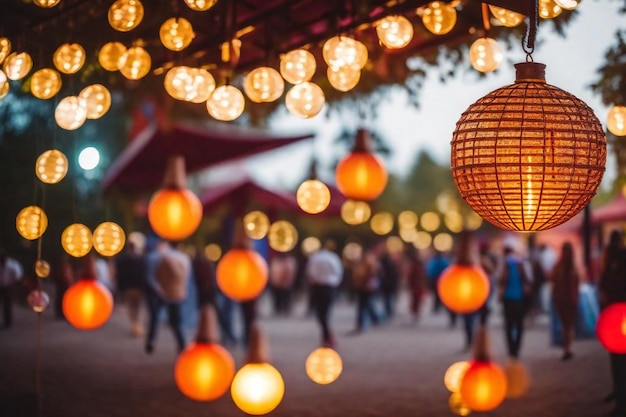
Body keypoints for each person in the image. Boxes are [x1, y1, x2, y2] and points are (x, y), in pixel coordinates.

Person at [598, 230, 626, 417]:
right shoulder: (614, 259)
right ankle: (619, 395)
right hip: (615, 315)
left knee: (618, 361)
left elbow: (605, 284)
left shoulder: (617, 259)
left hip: (617, 314)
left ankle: (620, 398)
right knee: (617, 360)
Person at [146, 241, 190, 354]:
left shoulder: (163, 258)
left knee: (155, 319)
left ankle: (151, 342)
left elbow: (156, 275)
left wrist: (160, 288)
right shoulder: (184, 258)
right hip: (178, 294)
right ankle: (182, 345)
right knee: (176, 322)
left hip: (164, 292)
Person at [306, 240, 343, 348]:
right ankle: (327, 336)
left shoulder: (315, 258)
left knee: (320, 313)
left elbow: (310, 272)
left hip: (318, 286)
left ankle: (327, 336)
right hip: (329, 286)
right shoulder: (333, 258)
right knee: (326, 312)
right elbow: (338, 272)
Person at [499, 246, 532, 359]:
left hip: (508, 297)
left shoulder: (506, 263)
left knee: (509, 324)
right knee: (519, 324)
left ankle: (511, 349)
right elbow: (529, 278)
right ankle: (517, 348)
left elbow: (501, 279)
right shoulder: (521, 263)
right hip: (520, 297)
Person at [550, 241, 580, 361]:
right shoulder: (567, 266)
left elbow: (553, 279)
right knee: (567, 324)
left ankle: (567, 348)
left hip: (564, 298)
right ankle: (567, 348)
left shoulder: (560, 266)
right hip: (566, 298)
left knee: (567, 324)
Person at [115, 241, 147, 337]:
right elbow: (144, 275)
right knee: (137, 307)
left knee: (131, 307)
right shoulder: (141, 260)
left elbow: (119, 275)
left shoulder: (122, 260)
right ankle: (137, 325)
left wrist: (120, 288)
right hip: (138, 287)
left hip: (127, 287)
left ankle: (135, 325)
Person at [351, 250, 381, 333]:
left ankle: (363, 322)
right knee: (366, 305)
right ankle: (374, 318)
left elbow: (371, 276)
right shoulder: (362, 266)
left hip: (366, 289)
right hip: (362, 288)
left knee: (363, 306)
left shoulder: (369, 266)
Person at [426, 250, 452, 324]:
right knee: (439, 295)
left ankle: (436, 307)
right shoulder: (443, 261)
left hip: (435, 280)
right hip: (441, 280)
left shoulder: (434, 261)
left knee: (436, 295)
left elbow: (429, 270)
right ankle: (438, 307)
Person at [269, 251, 297, 316]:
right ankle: (278, 308)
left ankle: (285, 308)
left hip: (286, 282)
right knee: (278, 297)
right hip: (277, 282)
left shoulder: (290, 261)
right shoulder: (276, 261)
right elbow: (273, 271)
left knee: (286, 296)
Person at [0, 248, 23, 328]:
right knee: (4, 305)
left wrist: (12, 283)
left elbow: (17, 275)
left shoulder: (12, 264)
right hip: (2, 285)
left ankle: (8, 322)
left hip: (9, 286)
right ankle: (5, 321)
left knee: (7, 304)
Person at [378, 243, 399, 321]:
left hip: (387, 284)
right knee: (388, 299)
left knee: (387, 299)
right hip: (389, 285)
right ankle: (389, 312)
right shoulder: (390, 264)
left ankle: (389, 312)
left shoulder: (385, 264)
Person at [405, 246, 426, 323]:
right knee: (415, 300)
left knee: (416, 300)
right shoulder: (417, 264)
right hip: (416, 285)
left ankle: (415, 313)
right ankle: (415, 313)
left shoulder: (416, 265)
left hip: (417, 285)